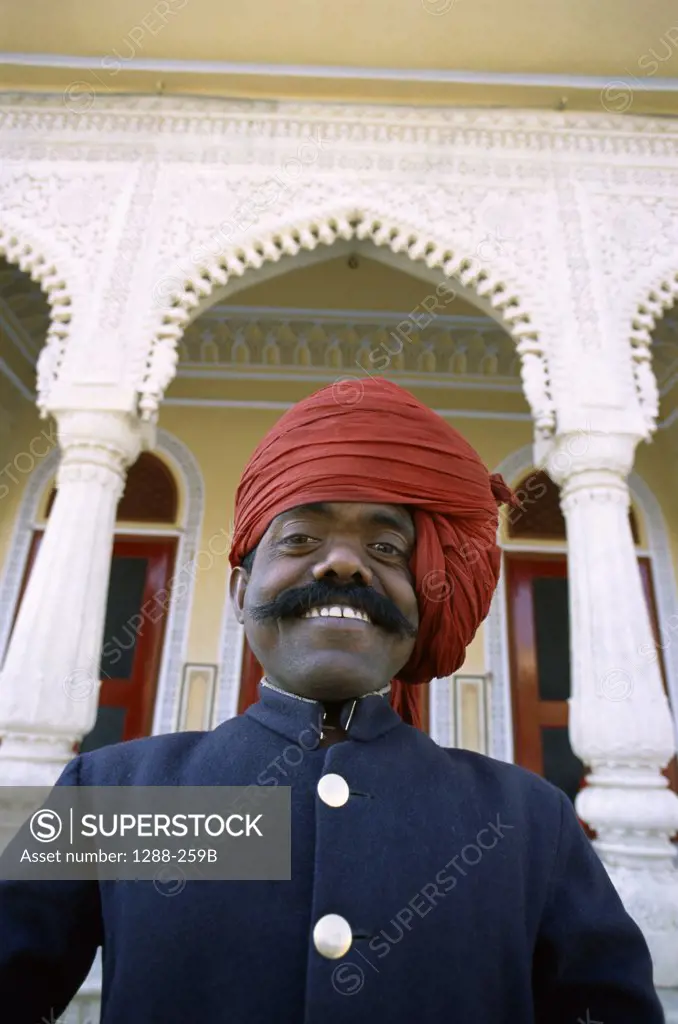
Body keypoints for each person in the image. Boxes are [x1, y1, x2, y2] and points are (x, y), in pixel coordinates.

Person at [0, 377, 665, 1023]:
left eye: (385, 546)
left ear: (430, 594)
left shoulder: (527, 823)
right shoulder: (118, 795)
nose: (342, 564)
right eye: (299, 540)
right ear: (239, 593)